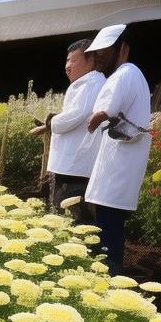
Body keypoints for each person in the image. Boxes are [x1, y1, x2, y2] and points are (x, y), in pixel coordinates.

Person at [83, 24, 152, 274]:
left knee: (108, 230)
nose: (97, 59)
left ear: (122, 48)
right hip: (119, 166)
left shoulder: (125, 73)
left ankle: (110, 276)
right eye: (95, 55)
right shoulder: (130, 75)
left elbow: (105, 111)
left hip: (117, 170)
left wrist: (96, 118)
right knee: (110, 226)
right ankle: (111, 271)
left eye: (102, 54)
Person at [43, 39, 105, 221]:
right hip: (72, 166)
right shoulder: (85, 83)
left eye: (73, 60)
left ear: (91, 59)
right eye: (67, 61)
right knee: (68, 216)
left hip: (75, 168)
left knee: (73, 218)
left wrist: (52, 121)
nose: (68, 66)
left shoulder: (90, 83)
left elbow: (75, 115)